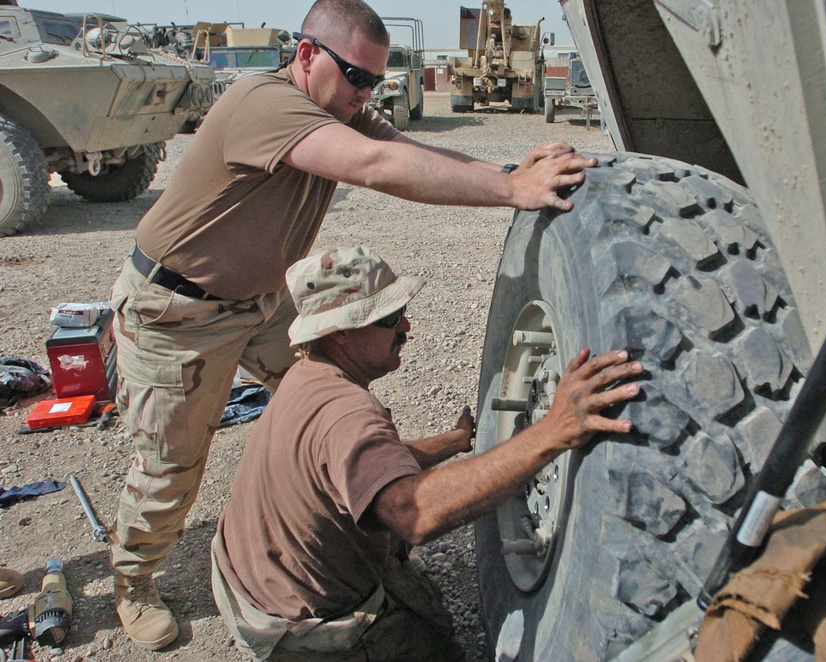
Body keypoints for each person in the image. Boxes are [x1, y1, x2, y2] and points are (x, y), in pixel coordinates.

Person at [106, 0, 597, 651]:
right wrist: (510, 193)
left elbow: (396, 145)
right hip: (179, 313)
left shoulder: (335, 103)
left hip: (258, 301)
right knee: (173, 464)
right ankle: (134, 581)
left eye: (375, 80)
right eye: (357, 77)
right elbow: (374, 167)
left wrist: (506, 174)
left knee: (331, 399)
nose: (367, 93)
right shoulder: (266, 103)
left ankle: (348, 495)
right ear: (307, 56)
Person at [210, 245, 642, 660]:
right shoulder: (347, 412)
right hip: (302, 630)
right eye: (391, 317)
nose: (407, 327)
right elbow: (411, 512)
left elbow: (370, 467)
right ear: (340, 332)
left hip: (249, 585)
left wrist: (455, 441)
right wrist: (553, 429)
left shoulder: (306, 378)